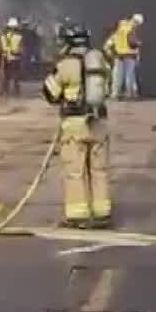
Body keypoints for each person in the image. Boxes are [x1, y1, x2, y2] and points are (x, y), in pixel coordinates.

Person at [42, 22, 112, 229]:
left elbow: (50, 93)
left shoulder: (65, 64)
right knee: (99, 170)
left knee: (75, 171)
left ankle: (78, 215)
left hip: (74, 125)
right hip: (99, 122)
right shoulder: (99, 59)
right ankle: (102, 214)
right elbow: (107, 87)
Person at [106, 13, 144, 100]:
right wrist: (138, 43)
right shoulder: (131, 28)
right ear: (136, 21)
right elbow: (132, 42)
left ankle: (115, 93)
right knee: (129, 75)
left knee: (117, 75)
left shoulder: (121, 25)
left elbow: (114, 38)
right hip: (129, 54)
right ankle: (130, 93)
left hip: (119, 54)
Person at [0, 18, 27, 97]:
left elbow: (0, 48)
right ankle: (16, 92)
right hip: (15, 58)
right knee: (16, 77)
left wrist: (1, 58)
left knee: (6, 76)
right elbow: (22, 48)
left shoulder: (2, 35)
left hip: (5, 58)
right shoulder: (19, 36)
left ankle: (5, 92)